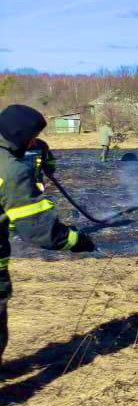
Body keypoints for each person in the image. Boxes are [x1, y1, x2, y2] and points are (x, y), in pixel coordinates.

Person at [0, 105, 95, 367]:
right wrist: (77, 240)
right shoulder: (10, 170)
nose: (34, 142)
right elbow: (39, 230)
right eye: (32, 136)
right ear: (19, 134)